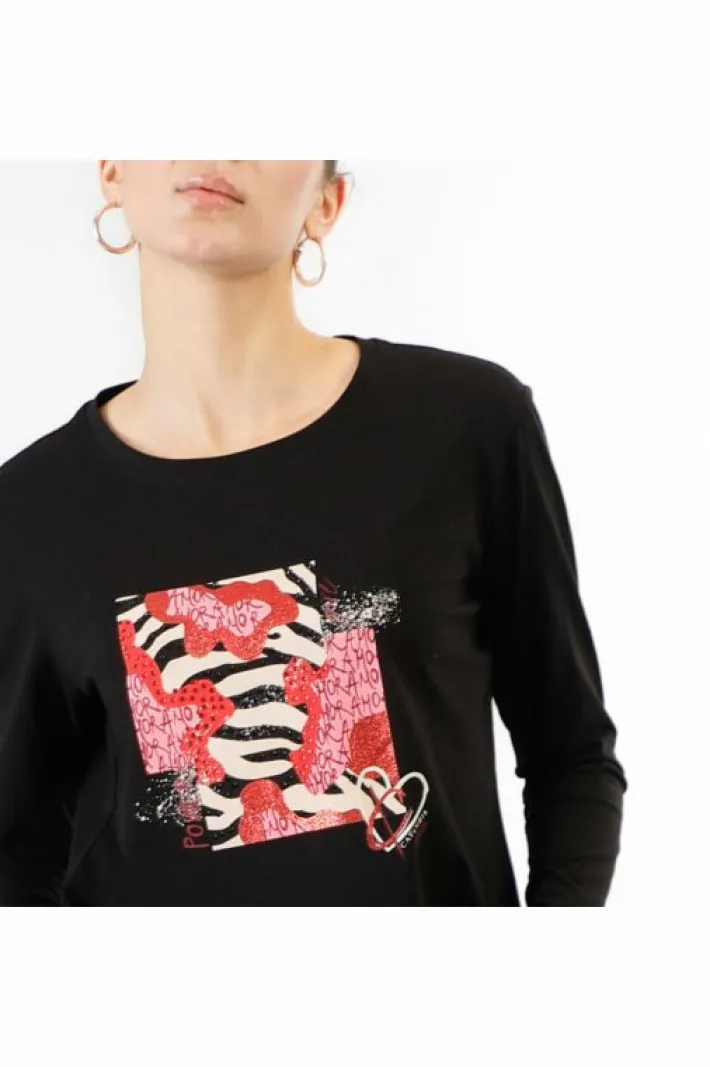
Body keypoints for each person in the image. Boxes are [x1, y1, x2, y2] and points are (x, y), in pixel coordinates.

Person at [0, 159, 627, 907]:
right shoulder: (29, 512)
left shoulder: (463, 427)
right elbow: (17, 847)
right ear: (111, 170)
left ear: (326, 203)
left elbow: (571, 753)